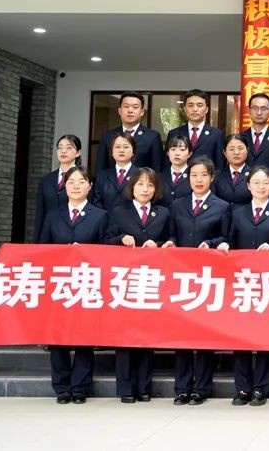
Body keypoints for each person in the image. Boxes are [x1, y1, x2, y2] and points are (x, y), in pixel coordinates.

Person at [163, 156, 232, 406]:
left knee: (203, 335)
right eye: (194, 175)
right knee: (182, 334)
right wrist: (170, 243)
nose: (198, 180)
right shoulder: (178, 205)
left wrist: (211, 243)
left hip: (208, 278)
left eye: (203, 175)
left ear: (212, 178)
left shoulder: (222, 206)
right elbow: (172, 234)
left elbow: (227, 237)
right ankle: (182, 388)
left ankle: (201, 388)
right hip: (182, 277)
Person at [217, 166, 269, 407]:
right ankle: (243, 387)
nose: (261, 186)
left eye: (266, 182)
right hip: (242, 283)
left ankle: (260, 388)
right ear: (248, 186)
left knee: (264, 337)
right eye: (256, 182)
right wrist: (224, 245)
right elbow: (229, 240)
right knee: (241, 337)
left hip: (268, 283)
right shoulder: (237, 213)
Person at [39, 166, 108, 404]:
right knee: (57, 335)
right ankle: (61, 386)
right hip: (59, 283)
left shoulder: (100, 215)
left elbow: (107, 252)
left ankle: (80, 386)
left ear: (90, 186)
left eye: (81, 181)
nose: (76, 186)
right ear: (64, 187)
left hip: (87, 283)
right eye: (71, 182)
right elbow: (43, 248)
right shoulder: (53, 216)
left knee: (83, 336)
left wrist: (85, 252)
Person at [103, 168, 170, 404]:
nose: (145, 189)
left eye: (150, 185)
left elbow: (171, 239)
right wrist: (121, 239)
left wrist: (159, 243)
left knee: (146, 336)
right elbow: (106, 240)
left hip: (152, 282)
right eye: (140, 184)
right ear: (132, 187)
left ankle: (143, 387)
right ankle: (126, 388)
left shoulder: (163, 213)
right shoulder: (118, 212)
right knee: (125, 337)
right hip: (125, 281)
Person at [94, 91, 162, 174]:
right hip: (112, 182)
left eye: (135, 107)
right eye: (126, 106)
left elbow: (156, 170)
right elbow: (100, 168)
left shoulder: (152, 137)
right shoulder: (107, 136)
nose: (130, 110)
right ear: (119, 111)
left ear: (142, 112)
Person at [33, 134, 81, 243]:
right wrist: (36, 242)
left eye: (69, 147)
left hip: (73, 238)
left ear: (78, 152)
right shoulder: (46, 180)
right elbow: (40, 214)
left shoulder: (84, 179)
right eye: (60, 148)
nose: (63, 151)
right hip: (47, 237)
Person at [166, 89, 226, 172]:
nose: (195, 109)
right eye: (190, 105)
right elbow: (167, 163)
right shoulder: (174, 133)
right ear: (185, 109)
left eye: (199, 105)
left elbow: (220, 166)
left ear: (206, 110)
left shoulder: (216, 134)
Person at [91, 133, 137, 212]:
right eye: (117, 147)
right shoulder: (102, 176)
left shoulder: (140, 175)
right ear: (112, 151)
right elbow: (97, 202)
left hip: (132, 219)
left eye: (126, 147)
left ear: (133, 151)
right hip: (106, 218)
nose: (121, 150)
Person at [212, 133, 252, 212]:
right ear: (224, 152)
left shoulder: (255, 174)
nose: (236, 152)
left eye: (240, 148)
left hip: (247, 217)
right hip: (221, 216)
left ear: (247, 150)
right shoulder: (217, 175)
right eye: (231, 149)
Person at [157, 134, 193, 208]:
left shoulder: (194, 176)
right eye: (173, 149)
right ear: (168, 153)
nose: (177, 153)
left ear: (189, 154)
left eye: (182, 149)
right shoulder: (158, 177)